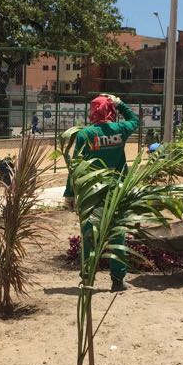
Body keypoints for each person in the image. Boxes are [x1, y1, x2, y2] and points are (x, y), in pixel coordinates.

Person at [64, 94, 139, 292]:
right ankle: (117, 280)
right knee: (117, 233)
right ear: (110, 110)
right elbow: (134, 120)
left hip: (91, 192)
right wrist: (121, 103)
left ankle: (88, 278)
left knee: (89, 234)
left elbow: (75, 167)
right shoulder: (120, 130)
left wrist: (69, 193)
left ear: (92, 111)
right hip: (116, 191)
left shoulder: (84, 135)